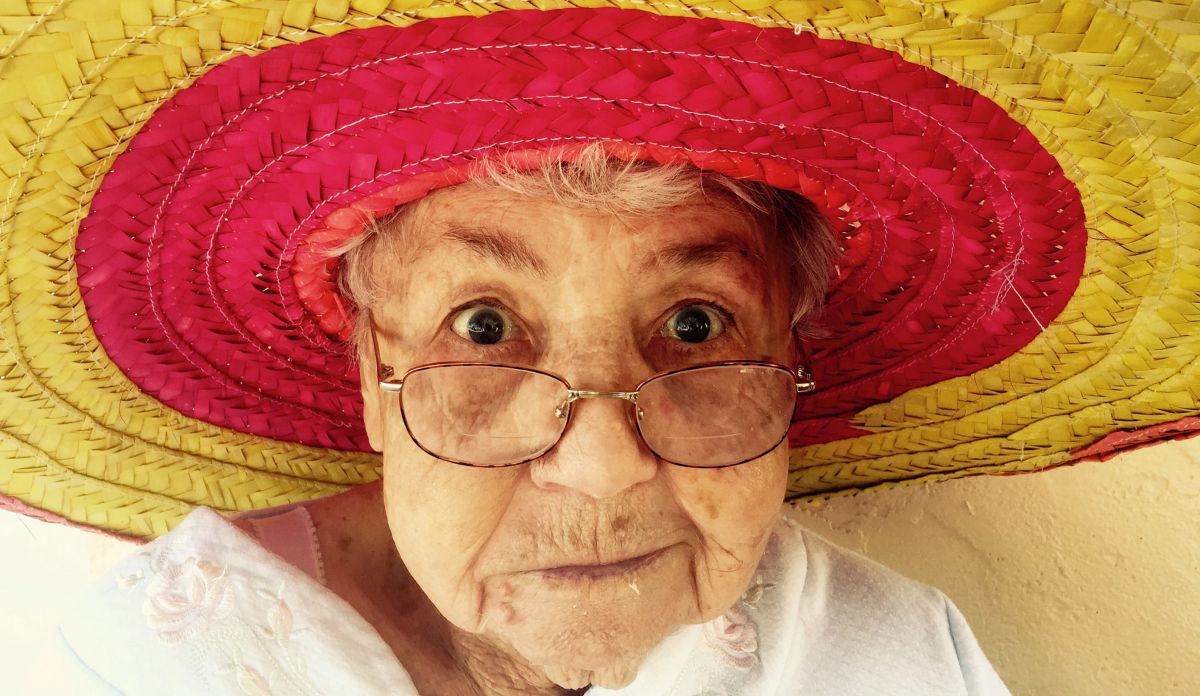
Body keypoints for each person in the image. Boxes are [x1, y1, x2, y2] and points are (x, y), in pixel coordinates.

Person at [9, 1, 1186, 694]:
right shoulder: (159, 666)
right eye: (485, 327)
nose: (606, 464)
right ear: (373, 372)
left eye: (695, 325)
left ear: (790, 353)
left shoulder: (888, 657)